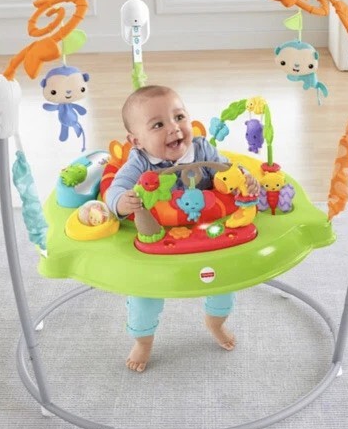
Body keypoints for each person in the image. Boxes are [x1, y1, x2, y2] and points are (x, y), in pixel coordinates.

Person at [106, 84, 259, 373]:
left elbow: (229, 172)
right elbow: (115, 190)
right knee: (143, 293)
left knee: (224, 283)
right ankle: (143, 341)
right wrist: (122, 202)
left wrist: (245, 180)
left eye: (179, 117)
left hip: (207, 230)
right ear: (136, 140)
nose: (174, 128)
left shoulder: (201, 149)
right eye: (158, 125)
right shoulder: (139, 162)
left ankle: (215, 324)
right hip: (158, 238)